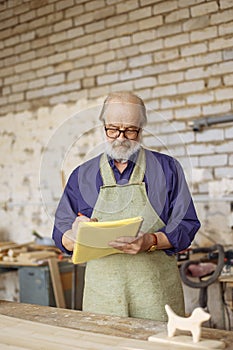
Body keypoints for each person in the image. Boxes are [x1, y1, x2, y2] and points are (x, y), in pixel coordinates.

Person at [52, 91, 200, 321]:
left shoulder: (168, 169)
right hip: (103, 296)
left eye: (131, 130)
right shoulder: (82, 175)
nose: (121, 137)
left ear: (142, 129)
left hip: (156, 294)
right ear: (103, 127)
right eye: (113, 129)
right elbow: (60, 231)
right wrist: (74, 234)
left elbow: (187, 224)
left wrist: (150, 241)